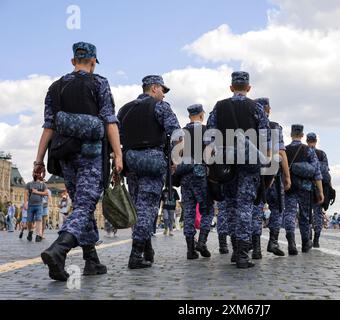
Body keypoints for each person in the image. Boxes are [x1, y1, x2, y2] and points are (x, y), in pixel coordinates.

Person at [36, 42, 123, 281]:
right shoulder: (99, 83)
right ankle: (59, 250)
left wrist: (38, 160)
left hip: (64, 154)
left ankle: (91, 260)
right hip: (91, 155)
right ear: (93, 62)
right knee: (85, 206)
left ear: (73, 61)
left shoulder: (55, 87)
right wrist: (118, 153)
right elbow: (109, 121)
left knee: (81, 205)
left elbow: (48, 127)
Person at [207, 71, 271, 268]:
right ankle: (242, 254)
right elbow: (266, 138)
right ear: (249, 88)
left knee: (232, 206)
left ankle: (236, 250)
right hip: (249, 164)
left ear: (231, 87)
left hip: (226, 164)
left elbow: (209, 135)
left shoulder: (219, 106)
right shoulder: (256, 108)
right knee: (245, 207)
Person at [118, 74, 181, 269]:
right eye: (162, 90)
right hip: (153, 162)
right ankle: (136, 254)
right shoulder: (160, 106)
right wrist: (174, 160)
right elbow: (177, 136)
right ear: (154, 88)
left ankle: (147, 249)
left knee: (138, 207)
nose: (163, 94)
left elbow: (116, 136)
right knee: (147, 209)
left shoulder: (125, 109)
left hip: (130, 163)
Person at [253, 98, 291, 257]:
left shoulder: (250, 126)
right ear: (268, 109)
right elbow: (281, 152)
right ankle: (273, 242)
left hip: (254, 174)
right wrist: (287, 176)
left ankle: (255, 248)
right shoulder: (274, 127)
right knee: (277, 209)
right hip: (273, 174)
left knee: (255, 210)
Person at [177, 104, 214, 259]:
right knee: (207, 210)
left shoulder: (181, 133)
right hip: (201, 175)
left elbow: (176, 156)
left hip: (185, 175)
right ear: (201, 114)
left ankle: (190, 249)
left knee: (189, 213)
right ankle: (202, 242)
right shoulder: (207, 131)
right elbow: (211, 153)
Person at [284, 125, 324, 253]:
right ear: (302, 135)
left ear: (291, 135)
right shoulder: (309, 151)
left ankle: (291, 242)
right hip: (305, 187)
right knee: (305, 216)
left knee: (289, 213)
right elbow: (317, 173)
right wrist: (321, 191)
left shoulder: (285, 150)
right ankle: (306, 243)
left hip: (289, 186)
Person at [306, 132, 330, 248]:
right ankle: (316, 239)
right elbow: (325, 171)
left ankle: (308, 238)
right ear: (315, 141)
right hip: (318, 187)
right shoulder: (321, 154)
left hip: (305, 187)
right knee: (318, 214)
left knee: (306, 214)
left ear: (307, 141)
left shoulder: (303, 152)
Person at [25, 174, 47, 242]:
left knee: (39, 220)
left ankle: (38, 235)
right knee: (29, 221)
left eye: (37, 173)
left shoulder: (43, 184)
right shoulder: (29, 184)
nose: (35, 174)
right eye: (34, 173)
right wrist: (25, 203)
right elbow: (25, 194)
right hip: (30, 205)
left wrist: (36, 192)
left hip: (39, 205)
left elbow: (46, 193)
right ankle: (30, 231)